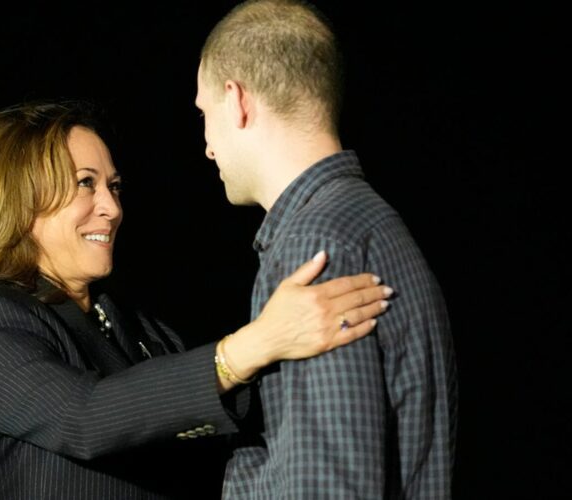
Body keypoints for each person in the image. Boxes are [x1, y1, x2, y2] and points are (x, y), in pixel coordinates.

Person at [0, 100, 393, 499]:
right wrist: (256, 343)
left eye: (114, 186)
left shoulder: (136, 325)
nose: (111, 207)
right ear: (17, 197)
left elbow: (224, 416)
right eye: (85, 182)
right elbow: (84, 418)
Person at [194, 0, 458, 498]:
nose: (207, 145)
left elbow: (327, 488)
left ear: (237, 100)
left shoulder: (313, 248)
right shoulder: (368, 222)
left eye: (204, 114)